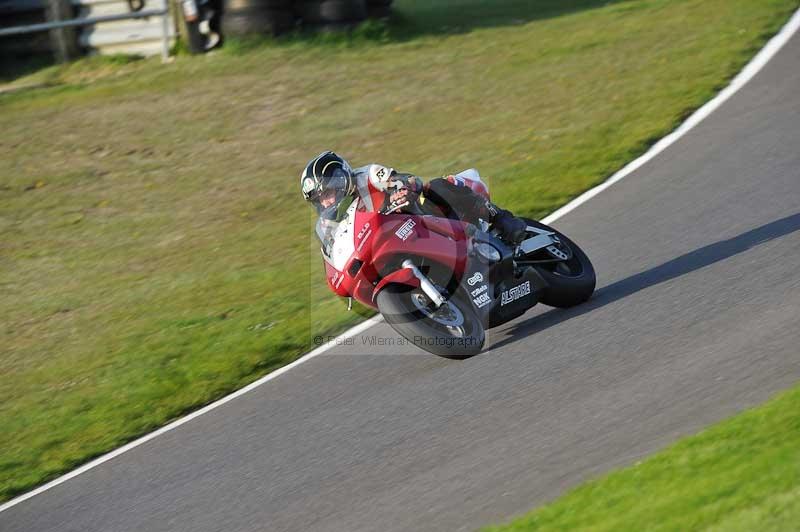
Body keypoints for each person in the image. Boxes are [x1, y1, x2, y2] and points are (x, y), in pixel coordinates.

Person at [300, 150, 528, 244]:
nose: (327, 201)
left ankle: (501, 218)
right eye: (320, 199)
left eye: (327, 192)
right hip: (390, 245)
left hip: (416, 219)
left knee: (436, 186)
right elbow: (334, 252)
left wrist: (400, 191)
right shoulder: (328, 224)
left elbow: (404, 179)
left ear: (340, 179)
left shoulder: (367, 175)